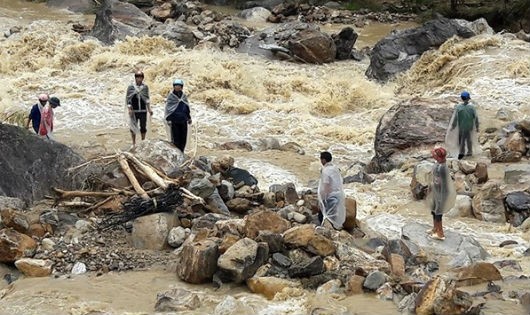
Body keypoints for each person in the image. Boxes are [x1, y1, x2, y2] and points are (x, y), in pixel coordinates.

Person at [427, 147, 456, 241]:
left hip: (442, 193)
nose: (433, 155)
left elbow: (442, 183)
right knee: (434, 211)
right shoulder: (438, 164)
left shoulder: (443, 168)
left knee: (438, 213)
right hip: (436, 191)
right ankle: (435, 228)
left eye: (435, 155)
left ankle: (440, 233)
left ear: (439, 157)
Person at [445, 91, 480, 160]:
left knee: (461, 140)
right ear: (468, 98)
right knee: (469, 139)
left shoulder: (458, 107)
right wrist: (477, 126)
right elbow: (475, 118)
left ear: (461, 98)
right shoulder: (472, 108)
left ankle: (462, 152)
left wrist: (453, 126)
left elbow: (455, 118)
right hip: (469, 127)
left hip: (461, 127)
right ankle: (470, 152)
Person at [317, 151, 346, 230]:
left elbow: (326, 185)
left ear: (323, 160)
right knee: (334, 214)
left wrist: (322, 198)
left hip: (330, 196)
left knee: (323, 214)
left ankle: (326, 230)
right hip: (338, 195)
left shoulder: (326, 171)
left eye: (321, 159)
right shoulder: (334, 168)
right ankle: (335, 228)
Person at [125, 71, 152, 147]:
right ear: (135, 78)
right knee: (133, 127)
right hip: (134, 110)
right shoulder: (131, 87)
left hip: (143, 110)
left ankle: (143, 141)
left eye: (140, 77)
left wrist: (149, 109)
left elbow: (147, 98)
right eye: (137, 77)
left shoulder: (145, 87)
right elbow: (128, 99)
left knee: (143, 127)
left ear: (142, 78)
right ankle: (133, 143)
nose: (139, 79)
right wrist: (130, 109)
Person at [165, 79, 192, 152]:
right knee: (176, 140)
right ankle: (177, 154)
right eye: (176, 86)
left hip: (183, 120)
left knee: (183, 139)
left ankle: (182, 153)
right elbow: (168, 109)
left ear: (182, 87)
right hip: (175, 121)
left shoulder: (183, 96)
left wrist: (189, 118)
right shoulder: (171, 96)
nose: (177, 87)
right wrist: (168, 119)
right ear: (173, 87)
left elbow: (186, 107)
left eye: (179, 86)